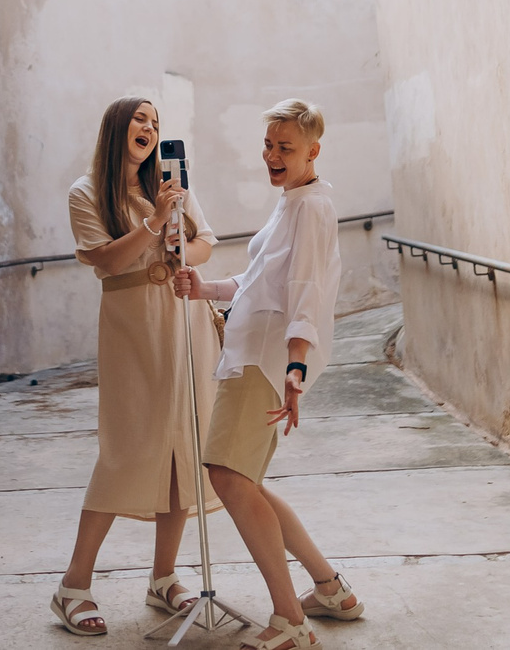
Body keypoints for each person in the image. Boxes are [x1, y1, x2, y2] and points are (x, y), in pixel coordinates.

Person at [172, 99, 365, 650]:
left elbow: (305, 291)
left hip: (266, 360)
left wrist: (297, 366)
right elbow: (259, 280)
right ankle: (330, 590)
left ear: (313, 151)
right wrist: (202, 288)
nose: (272, 155)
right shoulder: (292, 203)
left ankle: (289, 621)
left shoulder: (312, 209)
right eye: (269, 145)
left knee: (229, 478)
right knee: (243, 479)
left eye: (285, 147)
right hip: (250, 353)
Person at [52, 97, 222, 636]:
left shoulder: (171, 185)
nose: (149, 128)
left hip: (184, 319)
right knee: (124, 450)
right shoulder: (87, 192)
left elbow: (206, 243)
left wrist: (180, 250)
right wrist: (154, 224)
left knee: (181, 449)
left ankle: (163, 577)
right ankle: (72, 586)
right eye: (140, 120)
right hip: (132, 329)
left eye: (155, 121)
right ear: (117, 129)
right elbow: (105, 260)